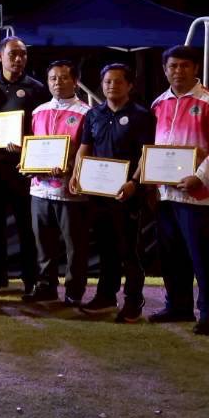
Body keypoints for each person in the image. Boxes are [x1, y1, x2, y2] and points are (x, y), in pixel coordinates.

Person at [146, 45, 209, 336]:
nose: (178, 71)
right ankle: (178, 306)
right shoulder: (158, 103)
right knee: (172, 255)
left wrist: (199, 176)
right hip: (166, 193)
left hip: (199, 196)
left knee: (205, 257)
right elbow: (152, 148)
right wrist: (151, 183)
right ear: (165, 69)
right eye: (173, 66)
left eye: (185, 66)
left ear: (196, 68)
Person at [69, 63, 156, 323]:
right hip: (98, 193)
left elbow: (147, 154)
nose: (112, 86)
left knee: (129, 250)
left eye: (118, 81)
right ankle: (106, 296)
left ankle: (133, 300)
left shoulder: (142, 116)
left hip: (128, 194)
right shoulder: (94, 114)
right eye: (107, 81)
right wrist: (76, 174)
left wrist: (134, 183)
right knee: (106, 247)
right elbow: (84, 148)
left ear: (130, 85)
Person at [0, 36, 49, 294]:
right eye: (13, 54)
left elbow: (42, 130)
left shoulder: (37, 88)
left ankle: (31, 279)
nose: (18, 59)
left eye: (23, 54)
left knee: (27, 226)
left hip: (22, 168)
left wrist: (27, 147)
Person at [25, 60, 92, 306]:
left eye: (64, 77)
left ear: (75, 81)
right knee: (43, 243)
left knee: (75, 245)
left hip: (70, 190)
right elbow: (34, 146)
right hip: (40, 189)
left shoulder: (86, 112)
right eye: (53, 78)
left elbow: (89, 149)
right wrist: (29, 164)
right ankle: (46, 287)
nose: (57, 82)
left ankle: (74, 290)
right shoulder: (38, 111)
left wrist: (71, 166)